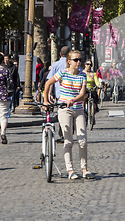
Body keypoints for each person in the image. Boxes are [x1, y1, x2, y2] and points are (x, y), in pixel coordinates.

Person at [44, 50, 94, 180]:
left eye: (80, 60)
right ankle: (70, 170)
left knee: (82, 141)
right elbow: (48, 83)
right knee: (68, 141)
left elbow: (83, 93)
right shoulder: (63, 73)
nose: (79, 62)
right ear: (69, 61)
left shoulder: (82, 75)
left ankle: (84, 169)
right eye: (76, 60)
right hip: (64, 109)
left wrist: (73, 100)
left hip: (78, 109)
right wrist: (45, 100)